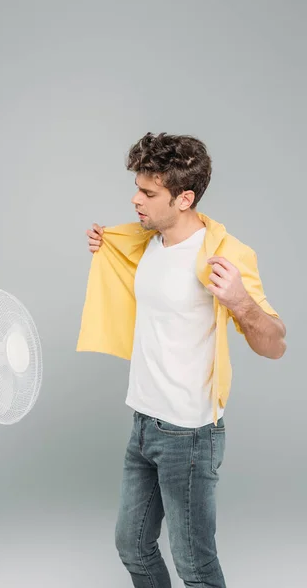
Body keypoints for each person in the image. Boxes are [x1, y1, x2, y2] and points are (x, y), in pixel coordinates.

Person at [80, 132, 286, 587]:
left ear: (184, 197)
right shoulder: (146, 241)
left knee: (195, 564)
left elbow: (275, 344)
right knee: (132, 547)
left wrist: (239, 301)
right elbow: (135, 272)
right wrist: (106, 245)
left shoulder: (226, 256)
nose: (135, 200)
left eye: (149, 193)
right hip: (144, 422)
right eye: (137, 187)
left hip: (189, 436)